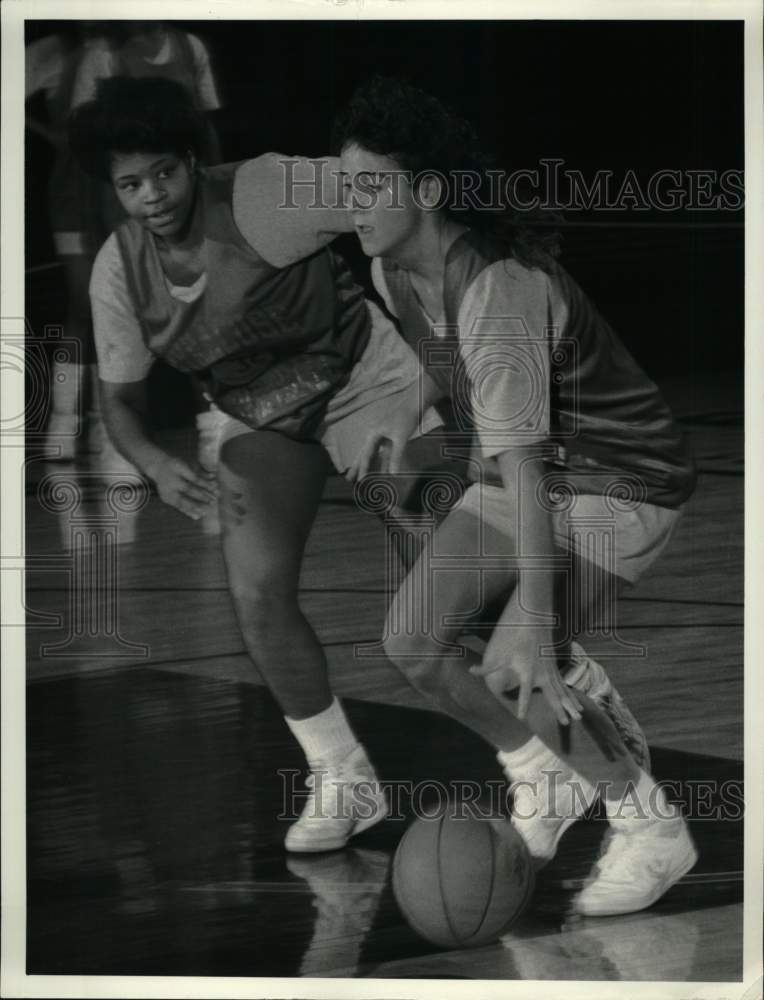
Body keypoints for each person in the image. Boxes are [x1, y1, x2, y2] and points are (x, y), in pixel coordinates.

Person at [334, 76, 699, 916]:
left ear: (428, 193)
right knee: (412, 641)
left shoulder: (496, 289)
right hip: (532, 472)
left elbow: (529, 469)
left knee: (512, 662)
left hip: (620, 475)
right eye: (346, 186)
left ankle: (652, 828)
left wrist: (535, 624)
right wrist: (403, 405)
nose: (352, 205)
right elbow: (448, 362)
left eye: (370, 186)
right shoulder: (392, 266)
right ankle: (542, 770)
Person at [67, 76, 443, 854]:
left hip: (365, 380)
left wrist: (423, 295)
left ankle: (559, 743)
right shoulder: (119, 271)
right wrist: (154, 464)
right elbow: (121, 401)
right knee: (257, 593)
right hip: (262, 413)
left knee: (452, 579)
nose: (152, 196)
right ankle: (343, 777)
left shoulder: (265, 192)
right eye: (130, 184)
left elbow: (397, 195)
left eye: (164, 173)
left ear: (191, 159)